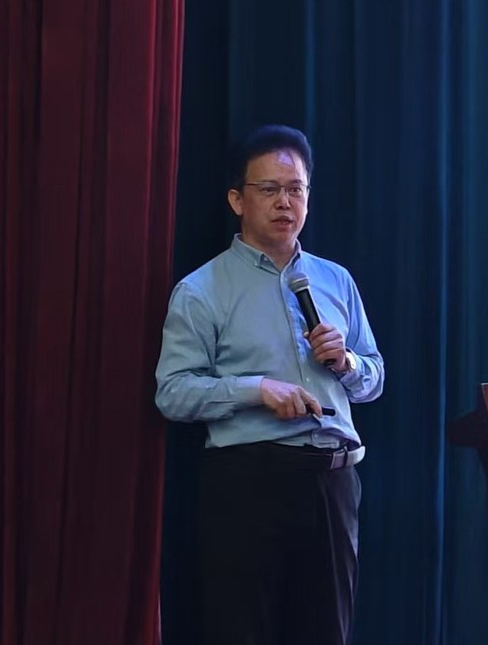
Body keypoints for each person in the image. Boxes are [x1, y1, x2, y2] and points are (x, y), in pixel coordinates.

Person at [155, 124, 384, 645]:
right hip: (248, 483)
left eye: (296, 189)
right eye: (269, 189)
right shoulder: (201, 290)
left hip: (332, 482)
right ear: (237, 199)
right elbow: (172, 392)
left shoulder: (335, 280)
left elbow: (373, 379)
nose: (285, 202)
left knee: (326, 632)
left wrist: (347, 362)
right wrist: (255, 389)